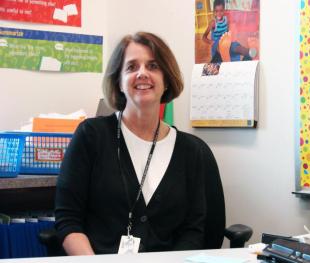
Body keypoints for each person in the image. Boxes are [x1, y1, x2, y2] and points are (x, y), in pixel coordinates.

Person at [55, 32, 220, 255]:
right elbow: (68, 221)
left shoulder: (191, 151)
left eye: (153, 66)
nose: (142, 73)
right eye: (132, 67)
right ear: (119, 82)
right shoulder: (91, 136)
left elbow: (193, 231)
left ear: (166, 79)